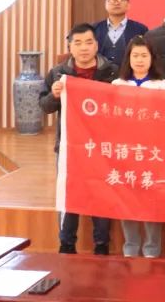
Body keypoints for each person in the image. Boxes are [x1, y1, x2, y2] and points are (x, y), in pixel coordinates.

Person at [40, 23, 119, 255]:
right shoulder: (58, 73)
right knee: (69, 193)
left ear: (96, 45)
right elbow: (44, 106)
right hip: (69, 146)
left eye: (88, 42)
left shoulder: (112, 72)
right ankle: (66, 245)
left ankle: (101, 245)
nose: (84, 48)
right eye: (78, 43)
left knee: (102, 193)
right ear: (70, 47)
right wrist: (54, 95)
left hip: (102, 146)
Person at [111, 36, 165, 258]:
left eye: (144, 55)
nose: (139, 60)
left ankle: (152, 248)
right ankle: (131, 246)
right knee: (127, 199)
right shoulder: (117, 85)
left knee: (151, 199)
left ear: (152, 58)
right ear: (128, 58)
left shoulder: (162, 85)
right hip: (125, 152)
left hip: (153, 152)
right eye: (135, 55)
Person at [92, 0, 148, 66]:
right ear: (105, 4)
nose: (116, 2)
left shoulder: (140, 29)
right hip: (99, 73)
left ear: (128, 4)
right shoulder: (94, 29)